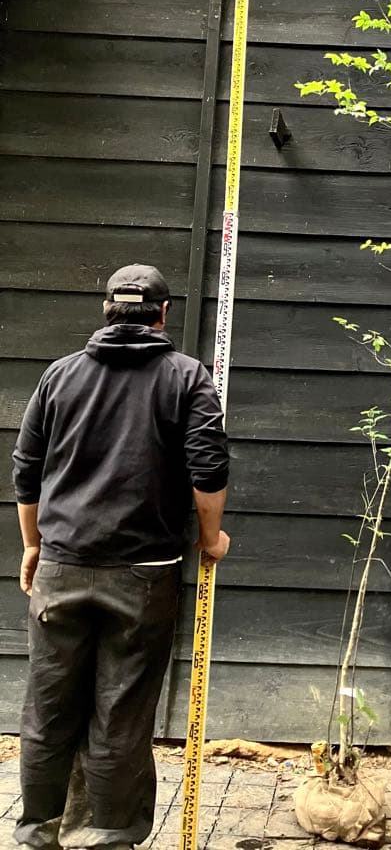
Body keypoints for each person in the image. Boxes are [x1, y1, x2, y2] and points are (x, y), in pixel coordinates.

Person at [12, 263, 231, 850]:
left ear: (107, 311)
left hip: (61, 566)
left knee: (49, 705)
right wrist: (211, 539)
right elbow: (208, 472)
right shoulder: (187, 378)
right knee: (122, 710)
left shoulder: (59, 376)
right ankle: (105, 837)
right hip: (145, 575)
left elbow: (26, 473)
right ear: (163, 315)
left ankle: (37, 831)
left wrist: (33, 546)